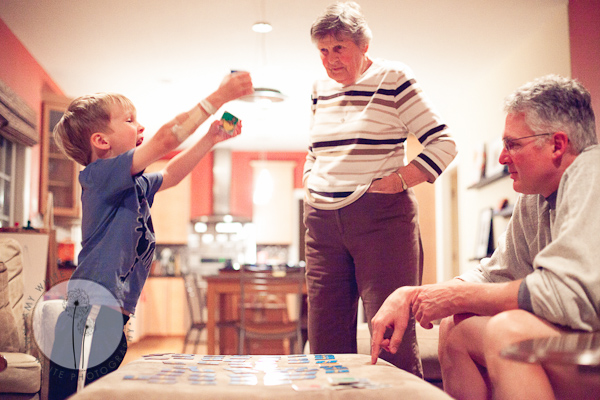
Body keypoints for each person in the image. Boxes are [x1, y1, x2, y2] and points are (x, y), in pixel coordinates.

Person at [371, 74, 600, 399]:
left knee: (508, 333)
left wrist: (458, 297)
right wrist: (411, 295)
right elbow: (495, 273)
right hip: (583, 341)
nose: (502, 158)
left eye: (513, 144)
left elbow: (567, 294)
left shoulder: (592, 171)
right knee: (456, 327)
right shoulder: (534, 200)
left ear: (557, 145)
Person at [47, 71, 253, 400]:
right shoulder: (99, 176)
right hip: (88, 314)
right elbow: (166, 140)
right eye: (130, 120)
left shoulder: (134, 184)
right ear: (101, 141)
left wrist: (210, 139)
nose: (140, 126)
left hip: (109, 317)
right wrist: (218, 98)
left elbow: (171, 174)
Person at [303, 1, 457, 376]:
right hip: (321, 223)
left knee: (390, 337)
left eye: (339, 48)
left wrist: (397, 181)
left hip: (381, 220)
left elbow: (444, 144)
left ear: (363, 45)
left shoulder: (393, 78)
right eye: (323, 50)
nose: (330, 59)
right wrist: (309, 180)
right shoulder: (319, 88)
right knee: (325, 342)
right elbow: (315, 150)